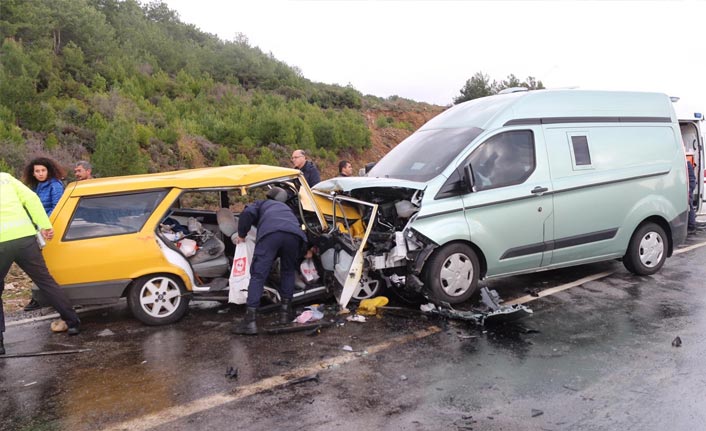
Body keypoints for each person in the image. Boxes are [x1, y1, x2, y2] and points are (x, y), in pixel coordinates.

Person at [1, 172, 81, 354]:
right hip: (24, 237)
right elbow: (32, 198)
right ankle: (72, 322)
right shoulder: (5, 178)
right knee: (45, 281)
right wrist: (44, 225)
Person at [232, 187, 307, 335]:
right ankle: (285, 313)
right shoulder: (287, 208)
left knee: (258, 275)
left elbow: (247, 213)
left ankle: (250, 321)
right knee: (287, 272)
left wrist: (241, 234)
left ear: (269, 196)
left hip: (271, 234)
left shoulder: (262, 204)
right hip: (294, 236)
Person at [687, 160, 697, 232]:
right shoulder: (687, 163)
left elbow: (691, 179)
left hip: (689, 186)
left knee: (689, 205)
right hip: (690, 185)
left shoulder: (686, 163)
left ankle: (691, 225)